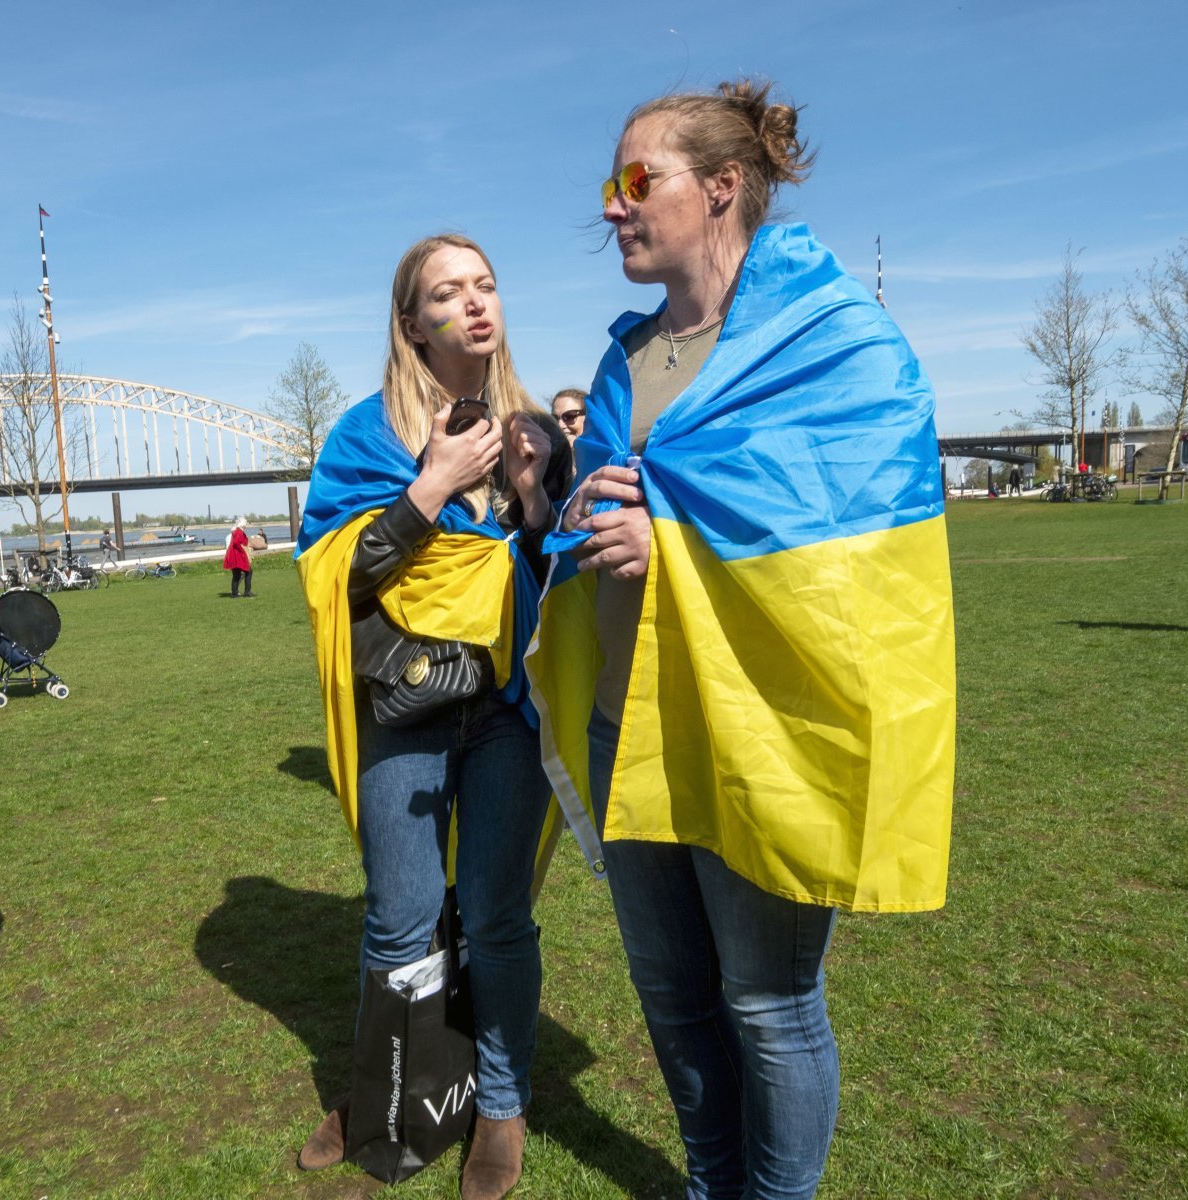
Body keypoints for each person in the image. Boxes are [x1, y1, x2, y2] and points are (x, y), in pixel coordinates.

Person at [527, 82, 956, 1199]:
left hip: (758, 725)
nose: (613, 209)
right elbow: (624, 506)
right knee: (671, 998)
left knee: (768, 1006)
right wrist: (587, 519)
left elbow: (856, 544)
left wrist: (665, 536)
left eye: (636, 183)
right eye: (607, 190)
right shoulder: (625, 360)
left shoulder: (832, 338)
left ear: (722, 187)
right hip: (631, 720)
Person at [293, 233, 560, 1200]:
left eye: (486, 285)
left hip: (504, 712)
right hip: (404, 700)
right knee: (399, 919)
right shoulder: (365, 435)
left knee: (494, 919)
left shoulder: (537, 430)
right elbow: (342, 575)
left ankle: (501, 1101)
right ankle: (384, 1099)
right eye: (449, 293)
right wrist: (434, 485)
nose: (475, 304)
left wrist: (534, 506)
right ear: (412, 323)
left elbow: (558, 589)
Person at [223, 517, 254, 597]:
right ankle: (244, 592)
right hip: (237, 555)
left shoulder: (237, 531)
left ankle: (236, 592)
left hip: (235, 554)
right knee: (246, 572)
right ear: (242, 524)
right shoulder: (239, 532)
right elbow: (237, 543)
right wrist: (243, 551)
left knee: (239, 573)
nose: (246, 525)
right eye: (245, 524)